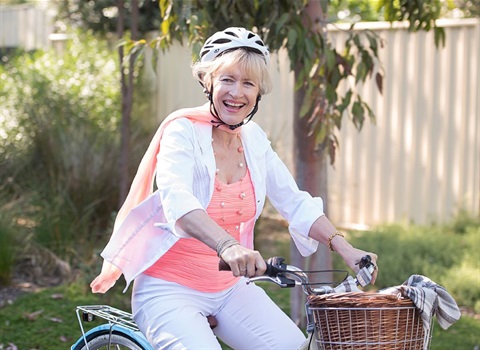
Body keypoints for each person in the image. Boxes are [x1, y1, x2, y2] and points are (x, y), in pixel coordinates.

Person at [90, 27, 379, 349]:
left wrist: (345, 247)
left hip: (230, 288)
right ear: (207, 81)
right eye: (227, 79)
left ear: (258, 93)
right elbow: (177, 199)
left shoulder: (253, 138)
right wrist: (228, 245)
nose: (236, 92)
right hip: (168, 290)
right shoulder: (181, 132)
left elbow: (294, 201)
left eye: (248, 83)